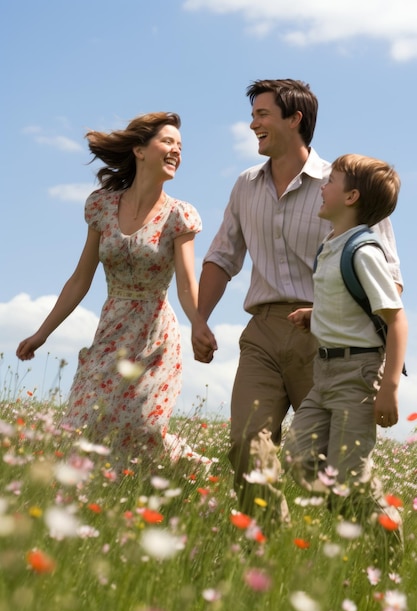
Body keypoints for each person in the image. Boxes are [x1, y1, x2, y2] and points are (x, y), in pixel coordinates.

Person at [191, 79, 403, 512]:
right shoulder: (244, 186)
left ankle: (377, 545)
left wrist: (381, 363)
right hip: (264, 331)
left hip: (328, 336)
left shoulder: (345, 187)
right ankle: (265, 546)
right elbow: (221, 256)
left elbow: (389, 277)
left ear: (295, 119)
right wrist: (199, 319)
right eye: (253, 116)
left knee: (334, 466)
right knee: (248, 442)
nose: (253, 124)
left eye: (262, 114)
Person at [16, 112, 202, 470]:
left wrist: (199, 324)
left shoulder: (181, 216)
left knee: (143, 425)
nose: (176, 150)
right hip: (111, 331)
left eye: (180, 146)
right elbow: (80, 279)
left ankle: (183, 475)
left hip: (155, 336)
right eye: (168, 142)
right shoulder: (101, 206)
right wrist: (42, 333)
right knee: (86, 419)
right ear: (139, 150)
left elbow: (186, 282)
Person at [281, 154, 407, 558]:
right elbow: (349, 305)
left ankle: (385, 534)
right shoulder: (330, 247)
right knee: (297, 457)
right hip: (325, 373)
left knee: (349, 478)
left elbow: (397, 320)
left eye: (330, 180)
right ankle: (358, 512)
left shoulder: (365, 251)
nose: (321, 185)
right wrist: (314, 315)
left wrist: (388, 387)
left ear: (351, 196)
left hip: (359, 375)